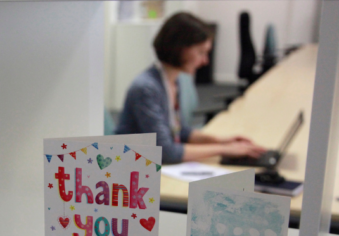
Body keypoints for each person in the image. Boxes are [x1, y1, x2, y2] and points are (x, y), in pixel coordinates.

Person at [114, 12, 266, 164]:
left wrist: (221, 140)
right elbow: (166, 151)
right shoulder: (146, 88)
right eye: (201, 52)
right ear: (180, 49)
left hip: (147, 165)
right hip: (127, 168)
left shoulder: (172, 80)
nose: (205, 61)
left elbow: (177, 130)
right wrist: (223, 149)